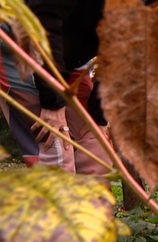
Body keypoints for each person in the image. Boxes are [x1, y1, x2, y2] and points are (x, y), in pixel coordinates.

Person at [0, 1, 112, 185]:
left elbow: (124, 49)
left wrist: (99, 116)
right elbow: (44, 18)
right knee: (53, 143)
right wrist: (52, 102)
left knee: (95, 144)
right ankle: (56, 210)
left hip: (68, 49)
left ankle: (93, 212)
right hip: (17, 38)